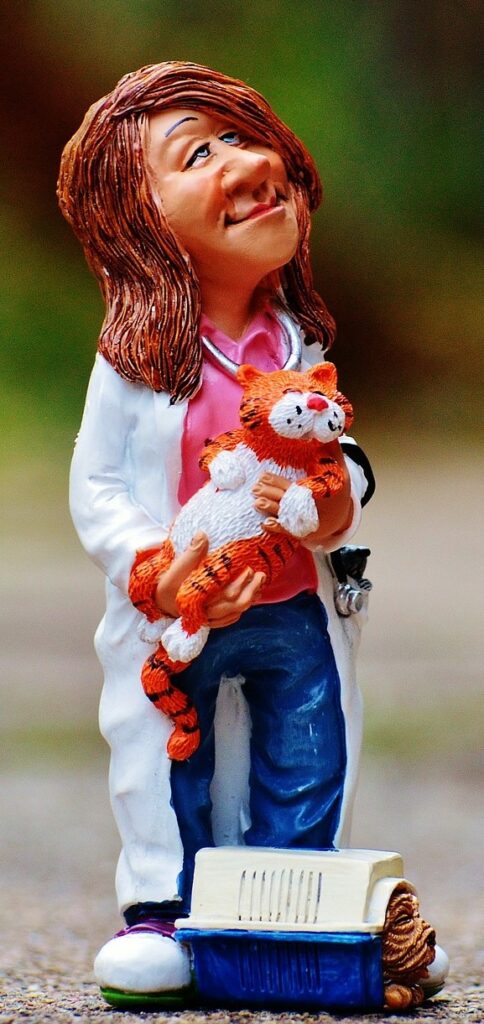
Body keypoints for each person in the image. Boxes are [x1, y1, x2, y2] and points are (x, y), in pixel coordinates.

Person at [58, 61, 375, 1000]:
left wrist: (335, 503)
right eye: (198, 153)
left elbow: (340, 452)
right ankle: (164, 908)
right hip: (183, 609)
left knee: (308, 742)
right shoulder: (137, 359)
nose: (249, 163)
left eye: (243, 136)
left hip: (289, 602)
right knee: (167, 752)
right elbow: (97, 485)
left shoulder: (298, 342)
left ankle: (296, 898)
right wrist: (156, 568)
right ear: (138, 219)